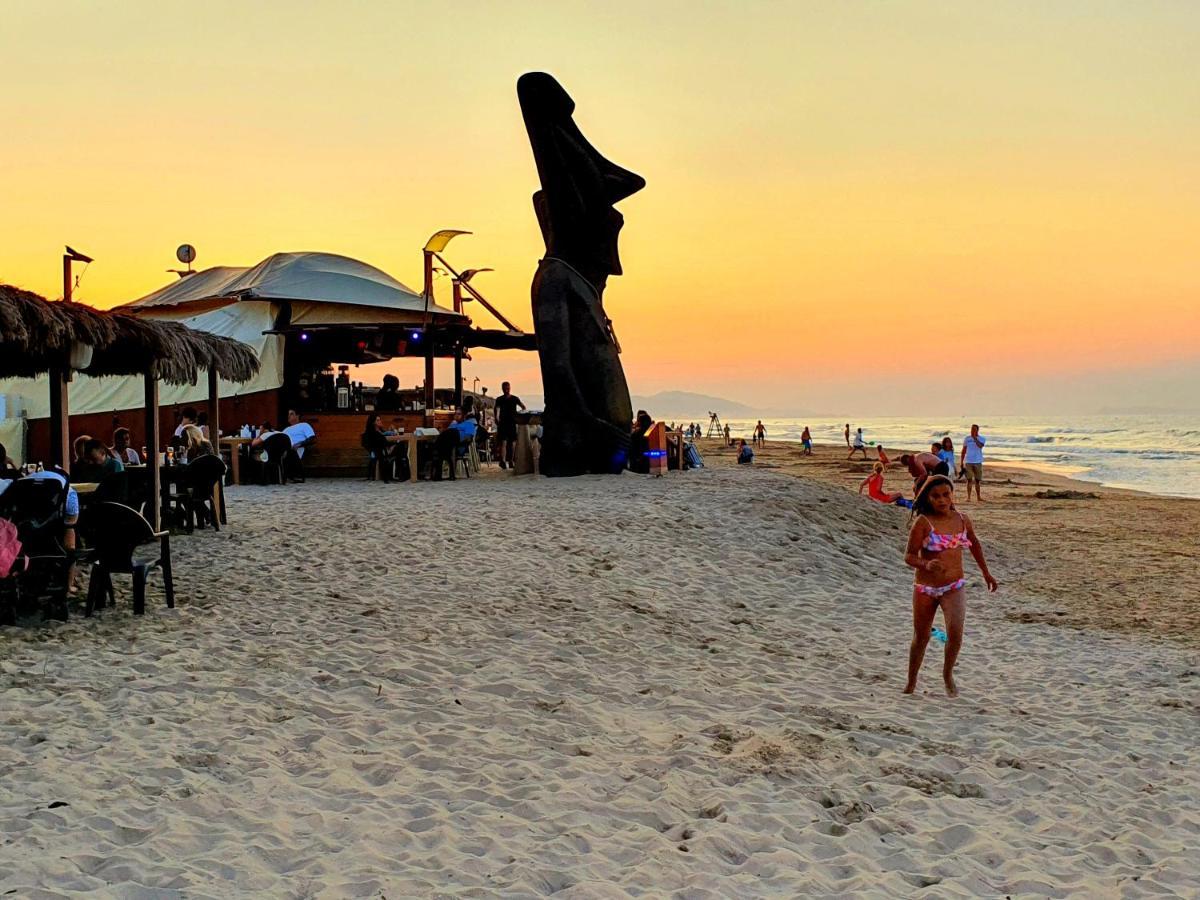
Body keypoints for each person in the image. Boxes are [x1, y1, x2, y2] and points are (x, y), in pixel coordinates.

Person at [903, 475, 998, 697]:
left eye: (946, 494)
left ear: (952, 494)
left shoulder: (963, 519)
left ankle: (947, 674)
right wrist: (926, 563)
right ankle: (911, 681)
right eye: (936, 496)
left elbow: (975, 545)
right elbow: (908, 556)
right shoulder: (923, 523)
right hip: (925, 588)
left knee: (955, 634)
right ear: (928, 498)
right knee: (922, 636)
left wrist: (986, 573)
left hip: (954, 586)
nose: (942, 500)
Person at [493, 381, 525, 470]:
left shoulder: (514, 399)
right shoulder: (501, 399)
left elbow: (523, 407)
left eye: (507, 388)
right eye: (505, 388)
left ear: (509, 388)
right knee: (505, 442)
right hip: (504, 423)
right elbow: (497, 409)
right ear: (502, 389)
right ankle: (504, 461)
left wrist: (518, 416)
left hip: (510, 422)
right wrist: (497, 418)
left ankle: (510, 460)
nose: (506, 390)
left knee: (511, 443)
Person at [362, 413, 403, 482]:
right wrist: (393, 445)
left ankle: (400, 474)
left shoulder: (380, 431)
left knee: (400, 447)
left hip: (385, 449)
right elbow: (381, 443)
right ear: (373, 423)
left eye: (380, 420)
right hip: (379, 451)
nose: (380, 421)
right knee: (400, 448)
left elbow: (385, 439)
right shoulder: (373, 433)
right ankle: (401, 474)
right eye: (377, 420)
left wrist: (391, 433)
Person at [283, 409, 317, 482]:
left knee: (289, 451)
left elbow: (312, 439)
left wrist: (299, 444)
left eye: (291, 414)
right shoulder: (286, 430)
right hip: (285, 449)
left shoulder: (304, 425)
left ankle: (295, 474)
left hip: (296, 449)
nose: (289, 416)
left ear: (297, 416)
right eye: (288, 414)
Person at [960, 424, 986, 501]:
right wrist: (961, 461)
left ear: (977, 430)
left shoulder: (982, 438)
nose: (972, 431)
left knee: (977, 480)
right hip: (968, 461)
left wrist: (975, 438)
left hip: (978, 461)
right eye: (971, 429)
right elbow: (964, 450)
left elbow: (980, 446)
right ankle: (968, 497)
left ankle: (978, 497)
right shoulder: (967, 439)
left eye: (974, 429)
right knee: (969, 480)